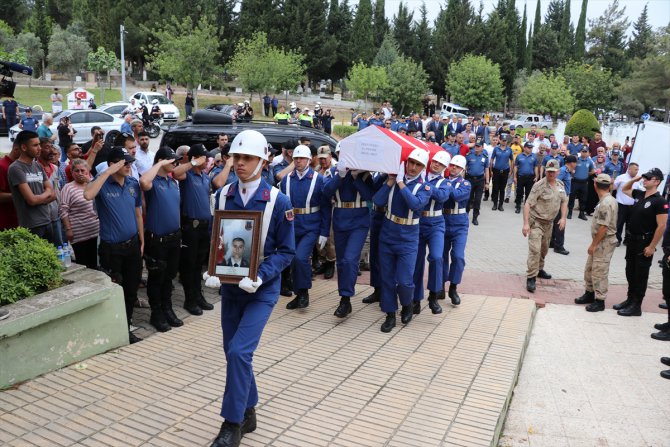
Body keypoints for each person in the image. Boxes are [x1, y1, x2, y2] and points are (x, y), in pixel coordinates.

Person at [206, 129, 295, 447]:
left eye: (248, 158)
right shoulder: (221, 196)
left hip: (262, 289)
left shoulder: (278, 201)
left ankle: (233, 424)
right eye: (236, 157)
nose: (240, 163)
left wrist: (261, 274)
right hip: (231, 289)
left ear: (263, 160)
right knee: (234, 354)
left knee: (240, 351)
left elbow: (287, 251)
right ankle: (250, 407)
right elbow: (217, 239)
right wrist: (213, 268)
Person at [83, 147, 144, 344]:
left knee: (131, 290)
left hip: (133, 245)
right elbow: (88, 195)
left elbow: (137, 214)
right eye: (124, 162)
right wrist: (108, 171)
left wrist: (142, 241)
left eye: (130, 162)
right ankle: (113, 330)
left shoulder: (133, 184)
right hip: (112, 249)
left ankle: (126, 328)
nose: (128, 166)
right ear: (112, 164)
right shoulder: (102, 184)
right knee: (115, 291)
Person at [373, 149, 431, 332]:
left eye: (418, 164)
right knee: (388, 278)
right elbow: (378, 200)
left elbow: (415, 205)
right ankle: (390, 314)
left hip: (408, 236)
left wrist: (400, 183)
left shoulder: (424, 187)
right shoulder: (393, 179)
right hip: (388, 232)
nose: (412, 167)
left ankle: (407, 303)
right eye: (411, 162)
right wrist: (391, 180)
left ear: (423, 168)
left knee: (405, 280)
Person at [278, 145, 331, 310]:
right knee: (293, 259)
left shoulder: (319, 179)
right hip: (292, 226)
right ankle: (299, 293)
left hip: (311, 226)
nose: (298, 161)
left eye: (301, 158)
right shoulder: (286, 180)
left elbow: (326, 207)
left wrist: (324, 232)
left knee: (301, 257)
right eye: (296, 158)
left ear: (309, 160)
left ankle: (304, 294)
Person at [323, 153, 374, 318]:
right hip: (340, 218)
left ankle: (346, 297)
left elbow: (370, 196)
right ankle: (344, 298)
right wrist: (340, 176)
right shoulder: (333, 172)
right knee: (342, 262)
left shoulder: (364, 173)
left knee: (350, 259)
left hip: (359, 219)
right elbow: (326, 192)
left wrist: (356, 177)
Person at [139, 147, 184, 332]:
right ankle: (156, 313)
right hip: (157, 239)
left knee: (169, 277)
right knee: (157, 277)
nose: (175, 163)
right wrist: (159, 163)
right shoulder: (153, 182)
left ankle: (167, 308)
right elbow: (143, 181)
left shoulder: (172, 182)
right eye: (172, 160)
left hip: (174, 237)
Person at [614, 168, 668, 316]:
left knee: (640, 275)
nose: (644, 180)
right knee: (630, 272)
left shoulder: (659, 201)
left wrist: (652, 246)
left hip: (644, 242)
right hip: (632, 240)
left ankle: (636, 306)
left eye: (648, 178)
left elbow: (661, 226)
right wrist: (635, 179)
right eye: (644, 178)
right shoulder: (639, 194)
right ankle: (629, 300)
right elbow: (624, 189)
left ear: (657, 181)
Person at [173, 143, 213, 315]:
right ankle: (190, 300)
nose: (207, 160)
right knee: (189, 266)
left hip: (204, 227)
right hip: (191, 226)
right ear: (195, 158)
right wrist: (193, 162)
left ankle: (198, 295)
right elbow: (175, 173)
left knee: (198, 265)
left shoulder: (205, 176)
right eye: (203, 157)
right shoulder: (187, 175)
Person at [413, 151, 452, 315]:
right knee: (416, 261)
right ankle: (415, 298)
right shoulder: (420, 176)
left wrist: (427, 187)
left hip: (436, 223)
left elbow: (442, 196)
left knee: (436, 257)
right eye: (435, 162)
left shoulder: (445, 182)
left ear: (444, 167)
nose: (436, 165)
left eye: (440, 164)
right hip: (418, 222)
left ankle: (434, 295)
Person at [522, 159, 568, 293]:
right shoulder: (539, 185)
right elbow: (527, 204)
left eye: (553, 172)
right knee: (535, 250)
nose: (551, 174)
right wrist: (525, 224)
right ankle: (531, 277)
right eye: (549, 172)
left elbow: (564, 202)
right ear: (545, 171)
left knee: (544, 249)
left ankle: (540, 269)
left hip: (549, 224)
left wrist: (563, 218)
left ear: (558, 172)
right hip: (536, 222)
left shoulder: (560, 185)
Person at [574, 174, 618, 312]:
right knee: (590, 269)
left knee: (599, 271)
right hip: (600, 241)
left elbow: (604, 227)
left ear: (595, 185)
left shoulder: (606, 203)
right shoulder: (606, 200)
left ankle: (600, 300)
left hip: (604, 242)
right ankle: (589, 293)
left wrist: (593, 245)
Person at [8, 131, 57, 243]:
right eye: (35, 145)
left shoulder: (37, 165)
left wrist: (40, 197)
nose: (39, 148)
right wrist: (46, 195)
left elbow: (53, 194)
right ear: (24, 147)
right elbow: (31, 200)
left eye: (39, 144)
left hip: (47, 220)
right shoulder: (16, 168)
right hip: (31, 225)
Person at [442, 155, 472, 304]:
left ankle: (453, 287)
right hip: (443, 221)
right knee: (440, 256)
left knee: (458, 256)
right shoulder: (442, 181)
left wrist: (445, 184)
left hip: (459, 223)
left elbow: (456, 196)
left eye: (457, 166)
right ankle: (439, 284)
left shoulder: (465, 183)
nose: (454, 168)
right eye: (452, 165)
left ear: (462, 169)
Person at [59, 159, 99, 269]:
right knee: (84, 264)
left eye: (83, 170)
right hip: (79, 233)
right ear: (72, 173)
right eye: (77, 171)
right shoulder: (68, 188)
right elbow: (63, 210)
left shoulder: (94, 184)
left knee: (95, 263)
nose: (80, 173)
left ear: (88, 171)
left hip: (96, 230)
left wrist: (90, 181)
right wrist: (68, 229)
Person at [551, 155, 576, 255]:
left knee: (556, 221)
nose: (576, 164)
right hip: (560, 200)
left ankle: (552, 242)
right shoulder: (563, 170)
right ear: (572, 163)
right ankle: (559, 246)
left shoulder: (566, 171)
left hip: (562, 199)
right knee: (561, 222)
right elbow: (555, 182)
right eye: (575, 162)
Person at [465, 139, 489, 225]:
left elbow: (486, 170)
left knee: (478, 200)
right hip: (470, 179)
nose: (477, 147)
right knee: (468, 198)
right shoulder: (469, 155)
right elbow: (465, 168)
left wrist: (487, 182)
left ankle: (475, 217)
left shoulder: (485, 157)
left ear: (482, 147)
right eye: (476, 146)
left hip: (480, 180)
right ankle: (466, 215)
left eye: (478, 146)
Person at [568, 147, 595, 220]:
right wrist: (572, 173)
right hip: (575, 181)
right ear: (581, 152)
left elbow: (593, 171)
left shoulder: (589, 161)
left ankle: (581, 213)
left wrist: (586, 173)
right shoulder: (576, 159)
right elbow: (570, 167)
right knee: (572, 197)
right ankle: (570, 212)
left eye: (586, 151)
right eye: (583, 151)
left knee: (583, 198)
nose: (584, 153)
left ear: (588, 153)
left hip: (584, 182)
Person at [490, 134, 514, 211]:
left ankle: (500, 205)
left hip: (505, 170)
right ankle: (495, 204)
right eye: (503, 140)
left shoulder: (509, 149)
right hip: (496, 170)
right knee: (496, 188)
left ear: (507, 141)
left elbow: (512, 160)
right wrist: (491, 170)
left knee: (502, 188)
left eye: (505, 141)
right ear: (500, 140)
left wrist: (511, 170)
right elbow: (492, 159)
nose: (504, 142)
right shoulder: (496, 149)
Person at [0, 141, 20, 230]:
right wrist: (26, 195)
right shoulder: (2, 166)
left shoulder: (23, 165)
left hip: (22, 221)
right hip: (6, 223)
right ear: (16, 149)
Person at [514, 142, 539, 214]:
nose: (530, 149)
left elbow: (536, 167)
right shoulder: (519, 156)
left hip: (530, 178)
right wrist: (515, 176)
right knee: (519, 192)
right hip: (521, 177)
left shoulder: (534, 156)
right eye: (529, 147)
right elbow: (516, 166)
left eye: (531, 148)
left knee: (528, 193)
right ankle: (518, 206)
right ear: (525, 148)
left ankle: (526, 207)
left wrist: (536, 176)